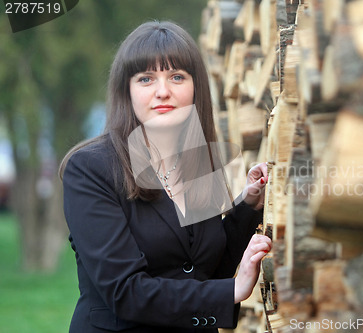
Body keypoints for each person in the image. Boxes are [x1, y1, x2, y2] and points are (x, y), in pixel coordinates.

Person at [59, 20, 271, 333]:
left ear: (195, 86)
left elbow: (203, 267)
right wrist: (232, 291)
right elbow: (125, 291)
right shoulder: (90, 169)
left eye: (176, 77)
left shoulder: (197, 162)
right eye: (146, 79)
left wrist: (249, 205)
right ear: (126, 90)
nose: (163, 92)